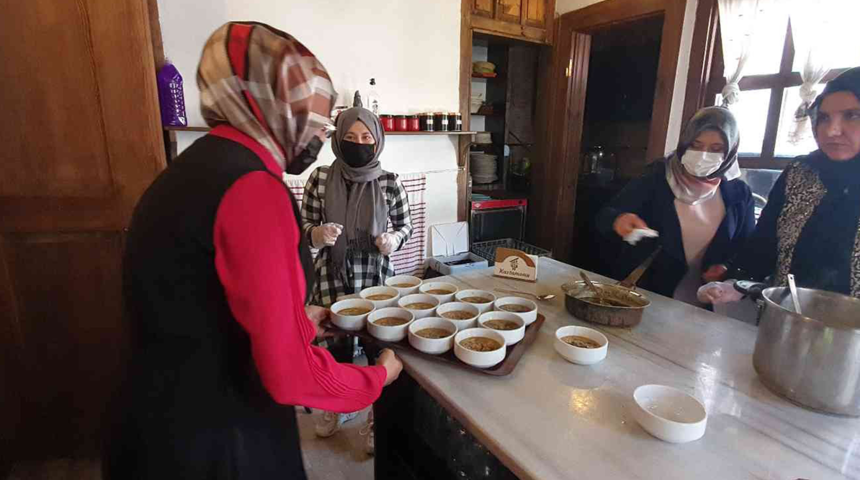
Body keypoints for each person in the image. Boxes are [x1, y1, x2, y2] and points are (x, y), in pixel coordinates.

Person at [102, 22, 402, 479]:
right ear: (275, 107)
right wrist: (375, 379)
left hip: (154, 423)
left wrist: (299, 322)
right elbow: (289, 374)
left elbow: (206, 307)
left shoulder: (195, 168)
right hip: (218, 439)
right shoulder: (253, 190)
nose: (322, 137)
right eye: (317, 121)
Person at [301, 107, 413, 451]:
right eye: (350, 138)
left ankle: (377, 421)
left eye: (366, 138)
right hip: (331, 279)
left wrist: (394, 240)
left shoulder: (390, 181)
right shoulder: (319, 178)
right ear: (337, 140)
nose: (359, 144)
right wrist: (316, 235)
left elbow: (404, 226)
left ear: (377, 142)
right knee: (335, 353)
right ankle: (338, 408)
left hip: (376, 282)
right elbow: (302, 229)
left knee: (379, 350)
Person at [700, 67, 860, 304]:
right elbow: (763, 244)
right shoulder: (801, 173)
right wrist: (734, 283)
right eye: (824, 117)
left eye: (852, 115)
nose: (832, 131)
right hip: (784, 323)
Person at [596, 107, 755, 307]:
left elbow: (747, 249)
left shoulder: (740, 194)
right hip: (646, 298)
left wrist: (726, 267)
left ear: (730, 151)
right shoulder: (657, 178)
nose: (703, 155)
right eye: (696, 145)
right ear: (685, 143)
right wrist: (619, 220)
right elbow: (605, 216)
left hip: (706, 307)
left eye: (716, 149)